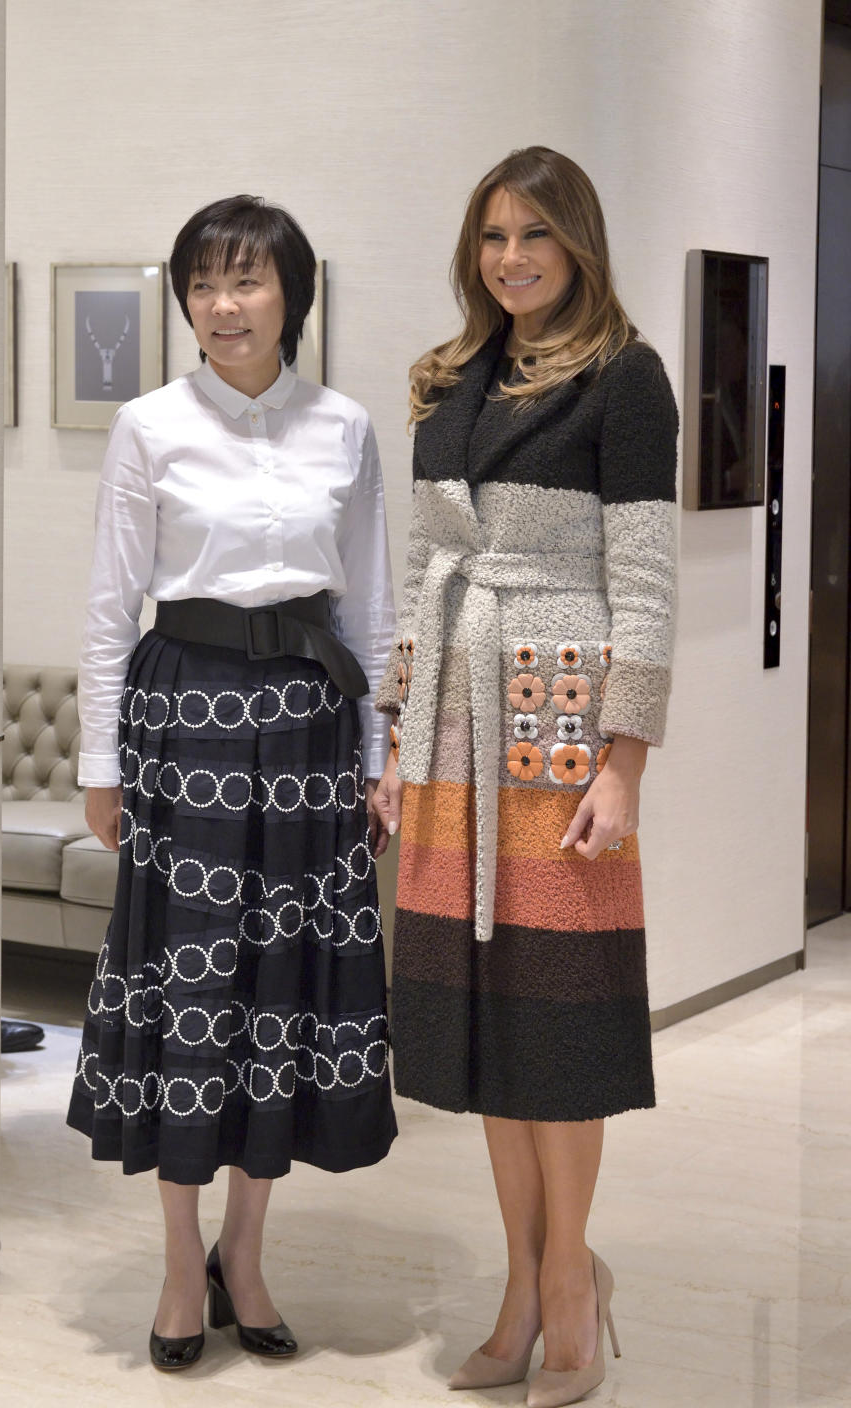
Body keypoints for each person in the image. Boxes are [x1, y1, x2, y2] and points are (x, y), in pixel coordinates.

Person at [67, 195, 398, 1372]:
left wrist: (376, 754)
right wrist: (101, 765)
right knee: (187, 984)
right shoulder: (149, 425)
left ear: (290, 297)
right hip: (182, 721)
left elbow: (370, 604)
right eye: (203, 283)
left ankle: (246, 1253)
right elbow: (111, 610)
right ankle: (175, 1259)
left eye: (247, 281)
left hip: (311, 731)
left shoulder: (345, 426)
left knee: (282, 992)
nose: (222, 304)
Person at [372, 146, 677, 1407]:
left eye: (535, 236)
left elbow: (648, 583)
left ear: (579, 244)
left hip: (557, 732)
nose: (512, 259)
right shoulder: (445, 379)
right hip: (451, 730)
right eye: (494, 236)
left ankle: (569, 1292)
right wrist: (396, 738)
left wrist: (626, 765)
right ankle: (522, 1279)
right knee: (489, 1030)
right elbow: (419, 570)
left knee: (560, 1022)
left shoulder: (628, 377)